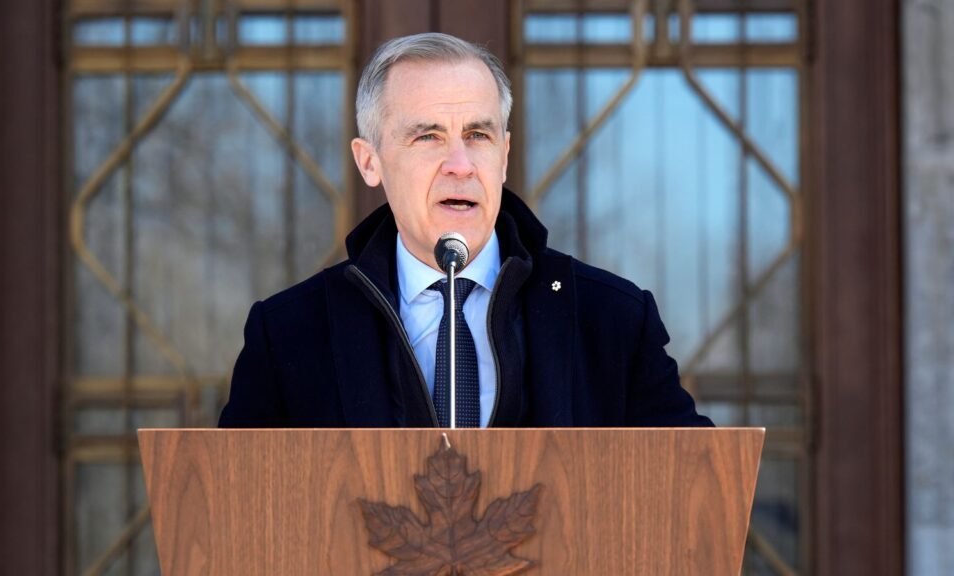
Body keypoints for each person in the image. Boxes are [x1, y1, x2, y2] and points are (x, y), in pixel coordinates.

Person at [218, 33, 712, 429]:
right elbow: (237, 521)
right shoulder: (289, 334)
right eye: (428, 136)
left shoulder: (612, 320)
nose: (460, 165)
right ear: (370, 162)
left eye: (478, 135)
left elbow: (695, 498)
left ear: (504, 155)